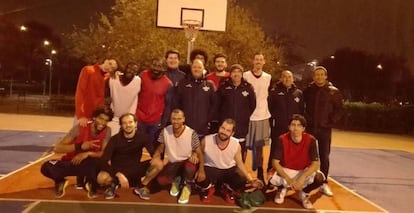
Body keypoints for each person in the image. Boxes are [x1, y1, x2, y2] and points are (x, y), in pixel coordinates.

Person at [133, 109, 205, 204]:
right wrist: (156, 156)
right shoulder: (165, 131)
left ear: (183, 119)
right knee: (161, 181)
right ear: (170, 119)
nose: (176, 121)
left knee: (190, 166)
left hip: (187, 161)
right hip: (173, 163)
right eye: (174, 119)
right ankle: (177, 179)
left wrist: (201, 170)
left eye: (179, 118)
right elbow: (160, 147)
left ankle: (187, 186)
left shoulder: (191, 133)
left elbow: (199, 152)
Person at [40, 107, 113, 198]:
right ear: (94, 118)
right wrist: (79, 146)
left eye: (106, 120)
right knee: (46, 167)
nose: (103, 123)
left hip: (90, 164)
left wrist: (87, 154)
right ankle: (60, 181)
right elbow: (58, 148)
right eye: (100, 118)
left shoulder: (107, 130)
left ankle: (90, 182)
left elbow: (104, 153)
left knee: (99, 165)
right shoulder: (80, 128)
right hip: (73, 162)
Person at [197, 119, 263, 204]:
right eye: (223, 128)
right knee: (198, 175)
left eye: (228, 130)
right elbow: (199, 155)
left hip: (227, 170)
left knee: (241, 177)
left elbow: (240, 164)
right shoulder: (206, 140)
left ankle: (227, 189)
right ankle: (208, 189)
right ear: (219, 128)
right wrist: (200, 169)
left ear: (232, 133)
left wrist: (250, 180)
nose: (224, 132)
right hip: (211, 169)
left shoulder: (236, 144)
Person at [268, 114, 325, 209]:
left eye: (299, 125)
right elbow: (275, 162)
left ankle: (304, 193)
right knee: (270, 178)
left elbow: (316, 163)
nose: (296, 128)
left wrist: (302, 177)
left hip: (302, 170)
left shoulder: (311, 140)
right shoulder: (282, 139)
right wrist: (288, 179)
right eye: (293, 125)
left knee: (319, 178)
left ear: (303, 128)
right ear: (289, 127)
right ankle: (282, 189)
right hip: (286, 170)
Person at [303, 66, 343, 197]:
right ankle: (308, 180)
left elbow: (339, 110)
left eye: (321, 74)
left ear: (326, 76)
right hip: (309, 129)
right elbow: (302, 107)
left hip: (324, 130)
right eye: (317, 75)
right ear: (313, 77)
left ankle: (323, 183)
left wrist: (329, 122)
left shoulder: (334, 92)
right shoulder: (308, 90)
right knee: (308, 156)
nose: (319, 77)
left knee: (324, 156)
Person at [96, 113, 156, 199]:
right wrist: (118, 174)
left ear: (135, 123)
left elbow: (154, 154)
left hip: (136, 170)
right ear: (121, 125)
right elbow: (103, 160)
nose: (128, 125)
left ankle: (142, 186)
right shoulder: (114, 140)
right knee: (101, 178)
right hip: (118, 171)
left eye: (130, 122)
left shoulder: (143, 137)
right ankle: (113, 184)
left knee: (158, 164)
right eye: (124, 123)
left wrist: (158, 155)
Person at [217, 64, 256, 161]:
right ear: (230, 74)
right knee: (225, 151)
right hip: (226, 127)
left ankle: (239, 172)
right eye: (234, 72)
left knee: (239, 152)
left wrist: (244, 116)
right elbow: (218, 105)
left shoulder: (248, 88)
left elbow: (253, 105)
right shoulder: (223, 87)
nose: (236, 74)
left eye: (239, 72)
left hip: (241, 127)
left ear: (242, 74)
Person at [267, 70, 304, 172]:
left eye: (289, 77)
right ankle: (271, 174)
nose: (287, 79)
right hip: (278, 128)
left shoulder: (299, 93)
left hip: (293, 129)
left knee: (291, 151)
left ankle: (290, 172)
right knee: (275, 151)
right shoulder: (274, 92)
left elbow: (301, 111)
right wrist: (272, 124)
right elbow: (269, 109)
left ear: (293, 79)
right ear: (281, 79)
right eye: (284, 77)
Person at [243, 53, 272, 182]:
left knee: (260, 148)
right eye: (256, 59)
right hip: (247, 117)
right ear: (253, 61)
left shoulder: (268, 77)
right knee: (243, 147)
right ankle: (241, 173)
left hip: (262, 116)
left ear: (264, 62)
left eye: (261, 59)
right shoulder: (245, 75)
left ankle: (260, 173)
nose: (258, 62)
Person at [175, 59, 218, 138]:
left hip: (203, 130)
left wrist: (208, 120)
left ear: (203, 69)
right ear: (191, 68)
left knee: (200, 150)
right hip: (185, 129)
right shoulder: (183, 83)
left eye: (199, 67)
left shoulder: (210, 85)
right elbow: (177, 103)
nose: (196, 69)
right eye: (194, 67)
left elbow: (215, 105)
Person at [136, 58, 173, 144]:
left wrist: (163, 124)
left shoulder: (168, 84)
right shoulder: (143, 75)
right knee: (137, 146)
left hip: (155, 123)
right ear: (150, 65)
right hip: (139, 119)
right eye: (154, 65)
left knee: (151, 148)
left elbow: (168, 106)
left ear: (164, 68)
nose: (156, 68)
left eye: (159, 66)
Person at [74, 58, 119, 127]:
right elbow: (80, 92)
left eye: (112, 68)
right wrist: (81, 115)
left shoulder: (108, 77)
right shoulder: (88, 70)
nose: (109, 68)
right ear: (105, 60)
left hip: (98, 117)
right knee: (78, 136)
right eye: (109, 63)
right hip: (85, 115)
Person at [107, 62, 141, 136]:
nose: (131, 71)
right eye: (129, 68)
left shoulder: (138, 81)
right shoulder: (113, 78)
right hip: (113, 117)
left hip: (128, 119)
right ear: (125, 68)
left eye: (134, 70)